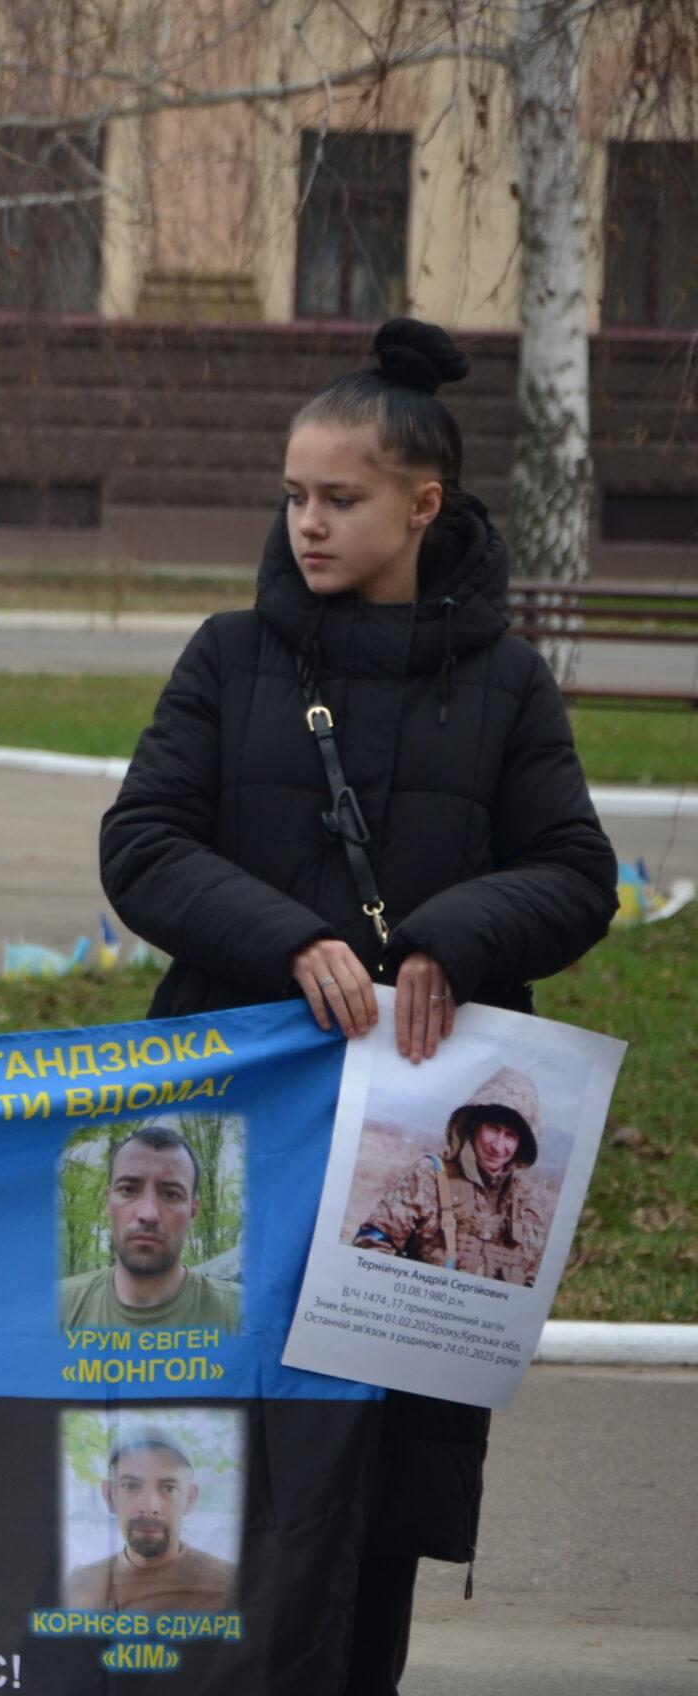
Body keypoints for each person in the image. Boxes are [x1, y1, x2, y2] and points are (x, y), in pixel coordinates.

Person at [97, 317, 615, 1696]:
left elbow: (576, 876)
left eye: (340, 499)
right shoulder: (229, 656)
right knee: (193, 1469)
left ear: (421, 505)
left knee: (376, 1495)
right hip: (231, 1119)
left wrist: (450, 933)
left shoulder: (507, 688)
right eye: (294, 497)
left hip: (426, 1156)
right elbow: (142, 844)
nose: (308, 525)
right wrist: (291, 944)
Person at [354, 1065, 550, 1287]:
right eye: (493, 1128)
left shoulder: (531, 1206)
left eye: (510, 1136)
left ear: (520, 1145)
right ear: (474, 1126)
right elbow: (371, 1246)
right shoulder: (429, 1176)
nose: (498, 1146)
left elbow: (533, 1286)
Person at [58, 1126, 241, 1333]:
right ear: (108, 1200)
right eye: (128, 1190)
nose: (149, 1213)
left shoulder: (242, 1315)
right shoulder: (57, 1310)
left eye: (171, 1194)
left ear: (193, 1210)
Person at [61, 1428, 237, 1613]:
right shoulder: (76, 1586)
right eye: (131, 1486)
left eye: (168, 1488)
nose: (149, 1506)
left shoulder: (231, 1586)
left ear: (190, 1499)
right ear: (109, 1496)